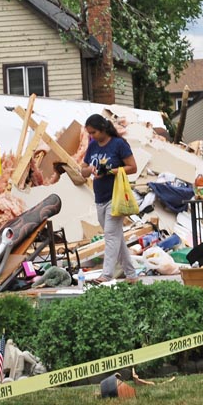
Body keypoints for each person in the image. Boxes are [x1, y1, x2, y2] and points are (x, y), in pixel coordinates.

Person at [79, 113, 140, 285]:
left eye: (94, 132)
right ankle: (132, 274)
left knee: (110, 235)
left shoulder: (118, 144)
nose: (92, 136)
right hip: (100, 197)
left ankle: (106, 274)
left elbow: (132, 167)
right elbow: (82, 170)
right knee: (116, 237)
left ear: (103, 128)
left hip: (116, 195)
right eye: (90, 133)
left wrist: (110, 171)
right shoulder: (92, 146)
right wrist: (90, 169)